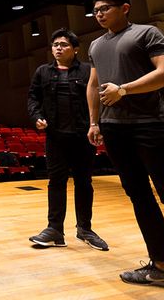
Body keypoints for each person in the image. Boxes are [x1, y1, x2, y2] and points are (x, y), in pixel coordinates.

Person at [87, 0, 164, 287]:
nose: (99, 14)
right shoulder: (96, 44)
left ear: (125, 8)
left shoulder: (145, 33)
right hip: (113, 128)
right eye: (96, 10)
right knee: (139, 196)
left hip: (149, 124)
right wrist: (94, 121)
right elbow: (94, 84)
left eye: (105, 8)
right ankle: (161, 265)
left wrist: (123, 89)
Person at [27, 29, 108, 250]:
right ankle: (55, 230)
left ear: (75, 48)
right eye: (55, 45)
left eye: (63, 44)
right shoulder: (42, 72)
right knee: (56, 182)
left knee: (84, 183)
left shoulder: (88, 71)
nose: (58, 48)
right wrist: (37, 117)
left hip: (82, 136)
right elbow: (33, 97)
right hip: (55, 138)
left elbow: (98, 98)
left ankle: (85, 229)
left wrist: (97, 124)